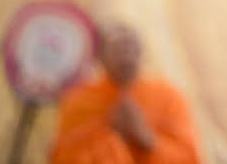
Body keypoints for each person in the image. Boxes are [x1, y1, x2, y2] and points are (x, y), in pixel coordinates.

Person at [51, 22, 200, 163]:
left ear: (142, 53)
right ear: (100, 57)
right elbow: (61, 159)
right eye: (118, 49)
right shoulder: (80, 100)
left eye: (132, 48)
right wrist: (109, 131)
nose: (126, 56)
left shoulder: (167, 95)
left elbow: (189, 158)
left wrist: (145, 137)